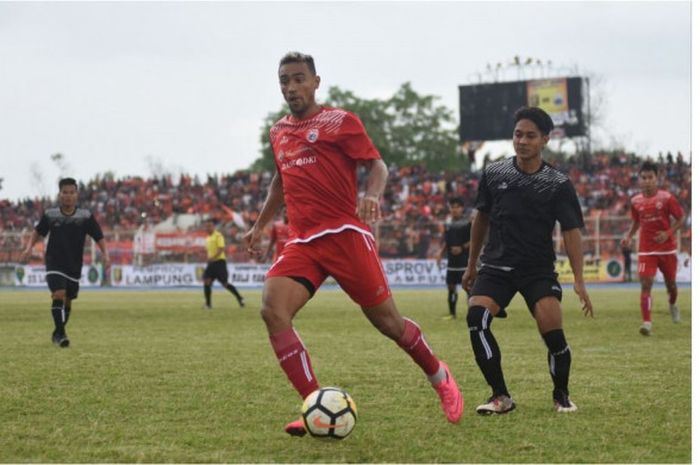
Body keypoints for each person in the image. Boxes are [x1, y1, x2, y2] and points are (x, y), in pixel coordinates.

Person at [244, 51, 463, 436]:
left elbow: (377, 165)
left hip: (345, 235)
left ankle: (438, 374)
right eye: (284, 80)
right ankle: (314, 405)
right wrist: (261, 225)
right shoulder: (278, 132)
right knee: (272, 309)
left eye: (298, 79)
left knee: (389, 324)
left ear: (315, 82)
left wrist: (373, 195)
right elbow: (280, 181)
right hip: (302, 242)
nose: (291, 87)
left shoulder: (340, 122)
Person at [462, 107, 593, 415]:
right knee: (476, 320)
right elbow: (480, 219)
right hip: (496, 266)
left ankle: (561, 394)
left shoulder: (557, 183)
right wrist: (472, 264)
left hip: (537, 270)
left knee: (553, 334)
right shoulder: (494, 174)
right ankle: (500, 397)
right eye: (518, 134)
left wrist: (579, 279)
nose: (522, 141)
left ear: (545, 140)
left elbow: (572, 232)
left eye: (530, 136)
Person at [20, 177, 111, 348]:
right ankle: (61, 335)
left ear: (76, 195)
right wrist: (28, 248)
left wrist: (105, 254)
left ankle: (58, 331)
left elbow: (99, 236)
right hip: (54, 262)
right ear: (59, 195)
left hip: (74, 265)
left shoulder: (85, 216)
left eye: (71, 192)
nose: (68, 196)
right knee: (59, 294)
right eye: (65, 192)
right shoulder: (50, 215)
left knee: (68, 300)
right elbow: (37, 232)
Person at [620, 161, 685, 335]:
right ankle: (647, 322)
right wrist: (628, 236)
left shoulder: (667, 198)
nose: (647, 181)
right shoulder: (635, 201)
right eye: (644, 178)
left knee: (671, 285)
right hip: (646, 250)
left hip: (667, 250)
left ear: (657, 179)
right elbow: (636, 221)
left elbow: (680, 218)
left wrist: (668, 233)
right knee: (646, 284)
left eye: (650, 177)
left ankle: (672, 304)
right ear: (639, 180)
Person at [435, 199, 472, 320]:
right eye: (452, 207)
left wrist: (462, 248)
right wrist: (440, 253)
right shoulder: (448, 224)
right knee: (451, 287)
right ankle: (452, 314)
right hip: (452, 262)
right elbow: (447, 241)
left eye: (457, 207)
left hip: (465, 261)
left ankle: (472, 313)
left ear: (462, 208)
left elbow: (475, 240)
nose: (454, 209)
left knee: (469, 288)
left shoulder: (468, 223)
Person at [202, 219, 244, 309]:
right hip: (211, 263)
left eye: (209, 226)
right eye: (206, 226)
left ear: (213, 227)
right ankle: (208, 304)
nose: (208, 228)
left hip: (219, 262)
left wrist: (213, 257)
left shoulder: (218, 236)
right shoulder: (208, 238)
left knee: (224, 284)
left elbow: (221, 248)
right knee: (206, 281)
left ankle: (239, 298)